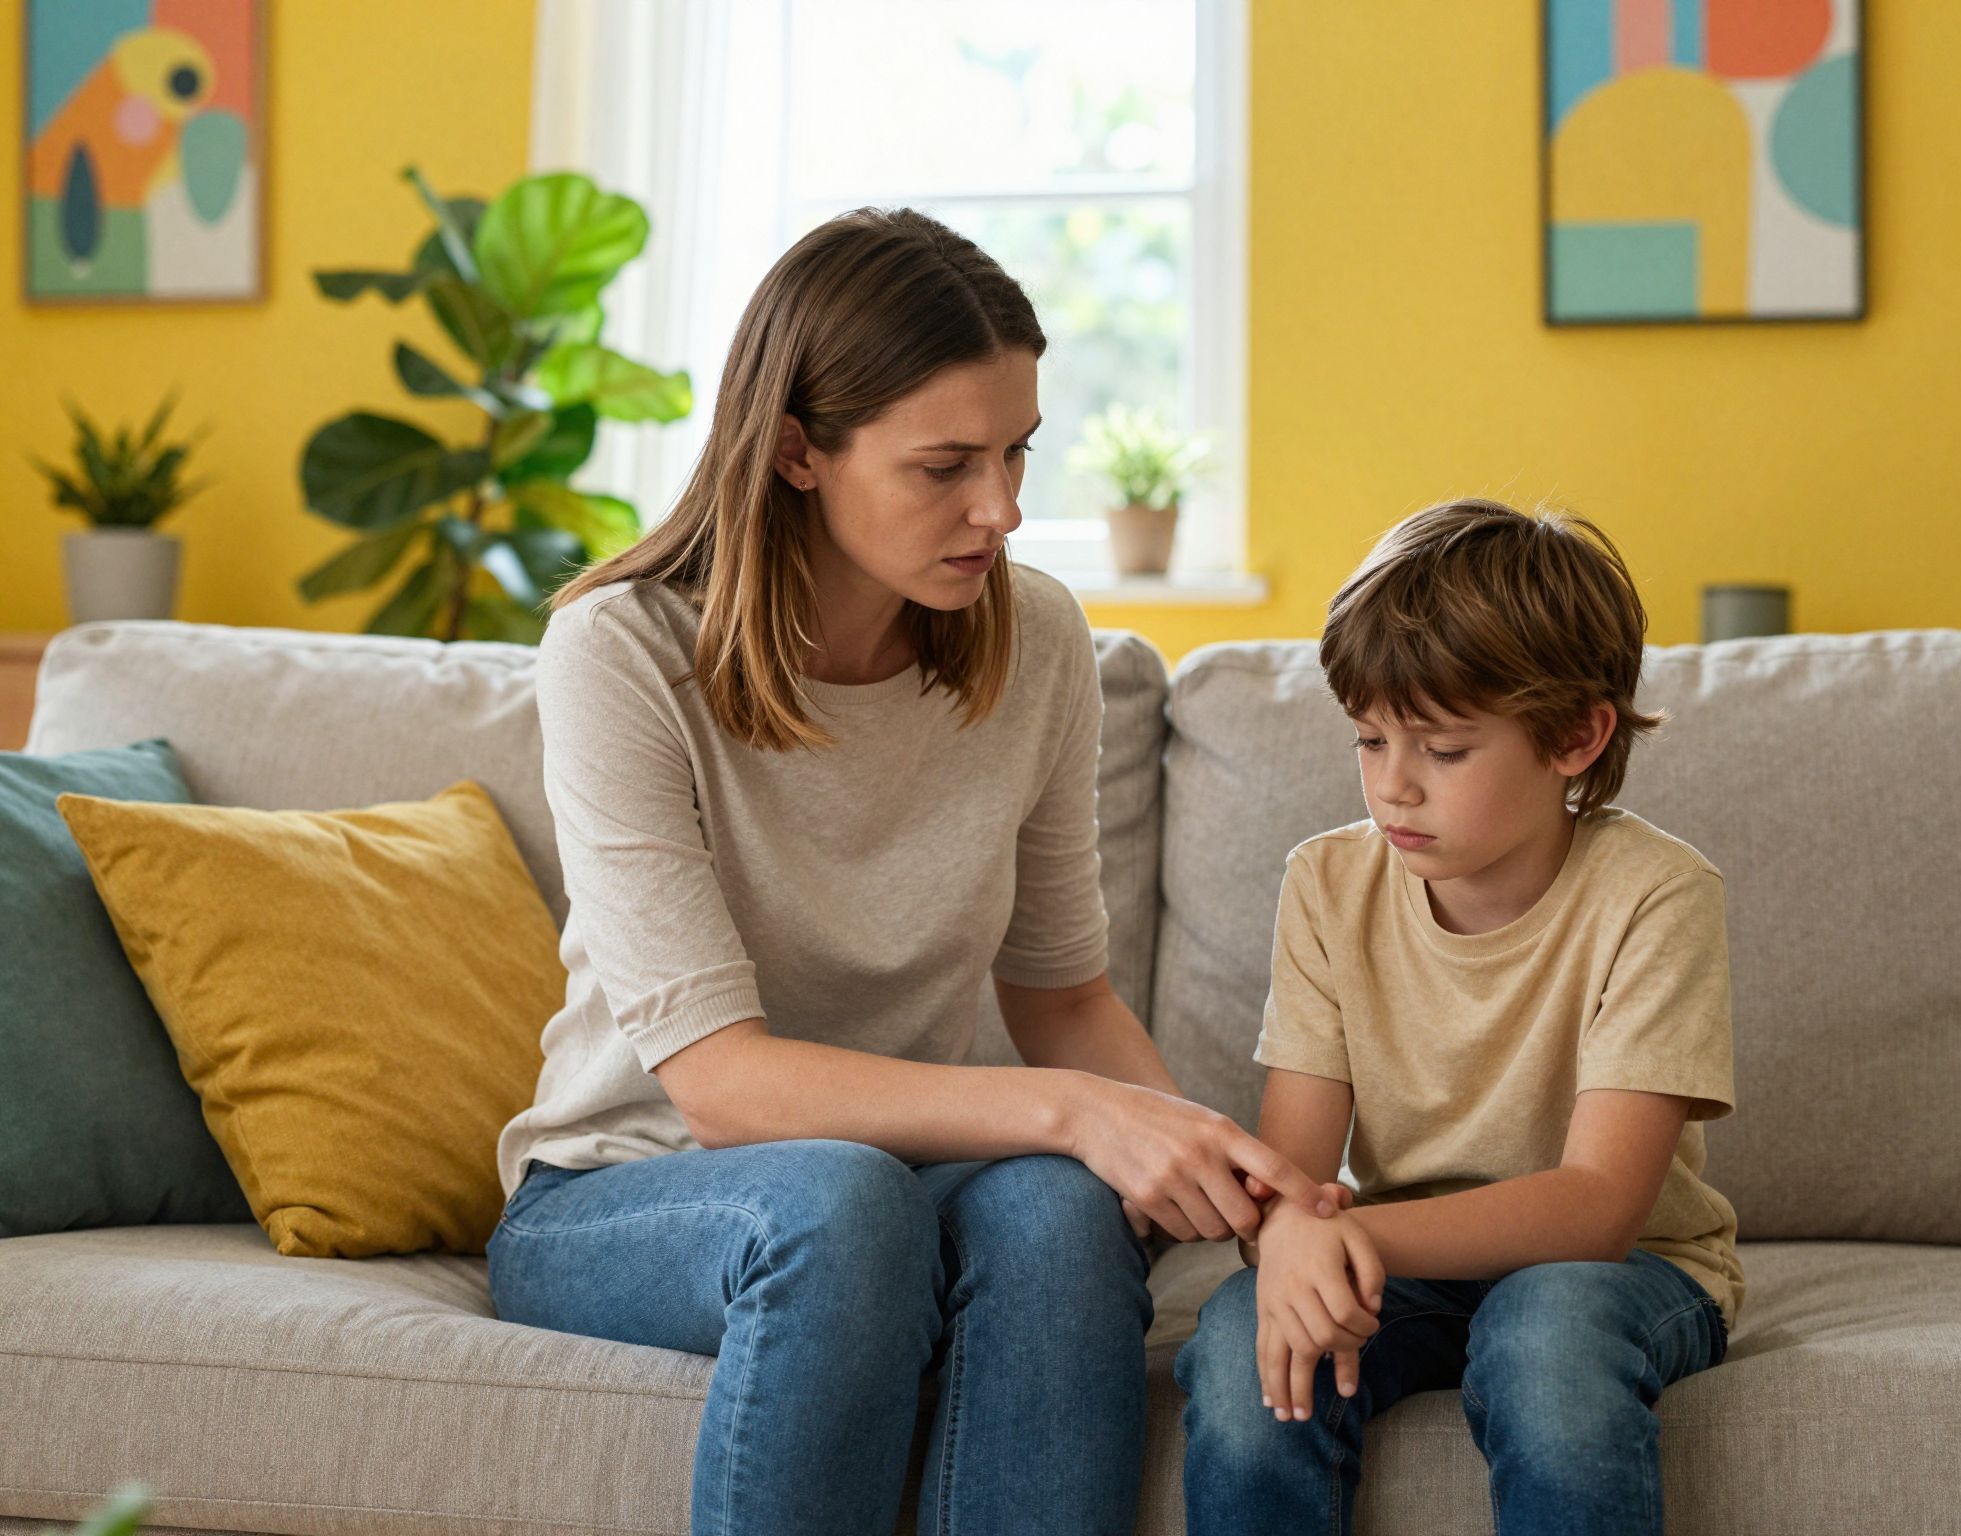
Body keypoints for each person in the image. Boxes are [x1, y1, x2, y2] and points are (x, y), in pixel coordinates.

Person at [484, 205, 1337, 1536]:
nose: (999, 509)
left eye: (1015, 455)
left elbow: (1063, 1001)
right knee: (844, 1202)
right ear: (795, 453)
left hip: (897, 1181)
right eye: (945, 465)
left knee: (1063, 1218)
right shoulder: (620, 649)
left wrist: (1235, 1186)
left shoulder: (1037, 640)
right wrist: (1067, 1112)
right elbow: (720, 1085)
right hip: (626, 1188)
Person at [1175, 497, 1742, 1536]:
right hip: (1406, 1265)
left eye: (1440, 750)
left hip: (1621, 1269)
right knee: (1235, 1346)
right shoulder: (1326, 882)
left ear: (1575, 737)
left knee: (1546, 1335)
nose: (1392, 787)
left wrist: (1328, 1233)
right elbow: (1291, 1171)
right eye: (1367, 739)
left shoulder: (1656, 894)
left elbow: (1595, 1208)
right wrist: (1291, 1236)